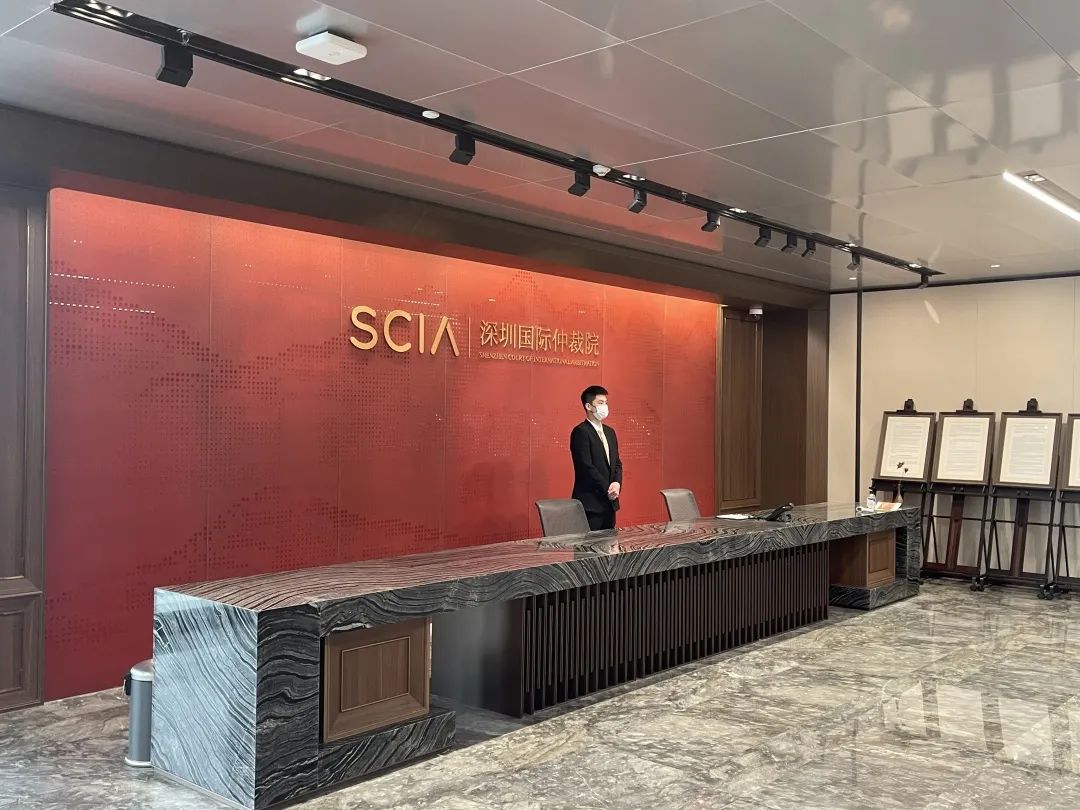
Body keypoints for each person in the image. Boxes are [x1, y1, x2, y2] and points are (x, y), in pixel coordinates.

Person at [570, 385, 623, 530]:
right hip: (590, 505)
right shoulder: (581, 432)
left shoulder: (610, 432)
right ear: (588, 406)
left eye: (605, 402)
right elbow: (586, 467)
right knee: (588, 544)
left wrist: (617, 483)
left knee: (610, 542)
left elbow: (617, 463)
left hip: (609, 504)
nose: (604, 406)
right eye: (600, 403)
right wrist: (607, 489)